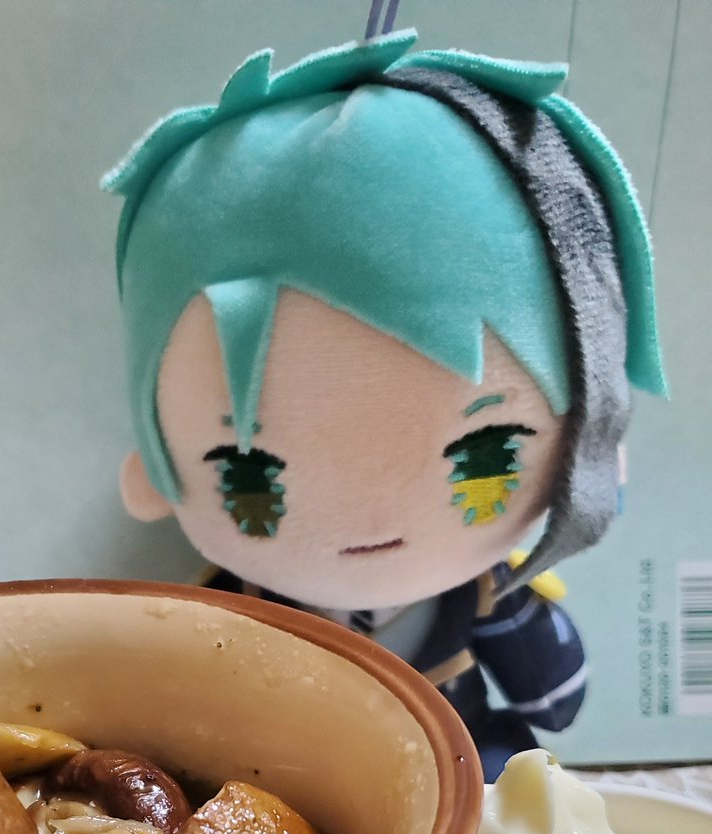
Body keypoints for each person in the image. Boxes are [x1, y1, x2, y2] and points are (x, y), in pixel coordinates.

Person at [103, 31, 666, 780]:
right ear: (155, 470)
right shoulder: (233, 608)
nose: (368, 517)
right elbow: (168, 704)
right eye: (249, 477)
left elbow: (555, 698)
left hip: (454, 760)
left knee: (506, 780)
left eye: (486, 457)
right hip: (292, 779)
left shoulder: (486, 595)